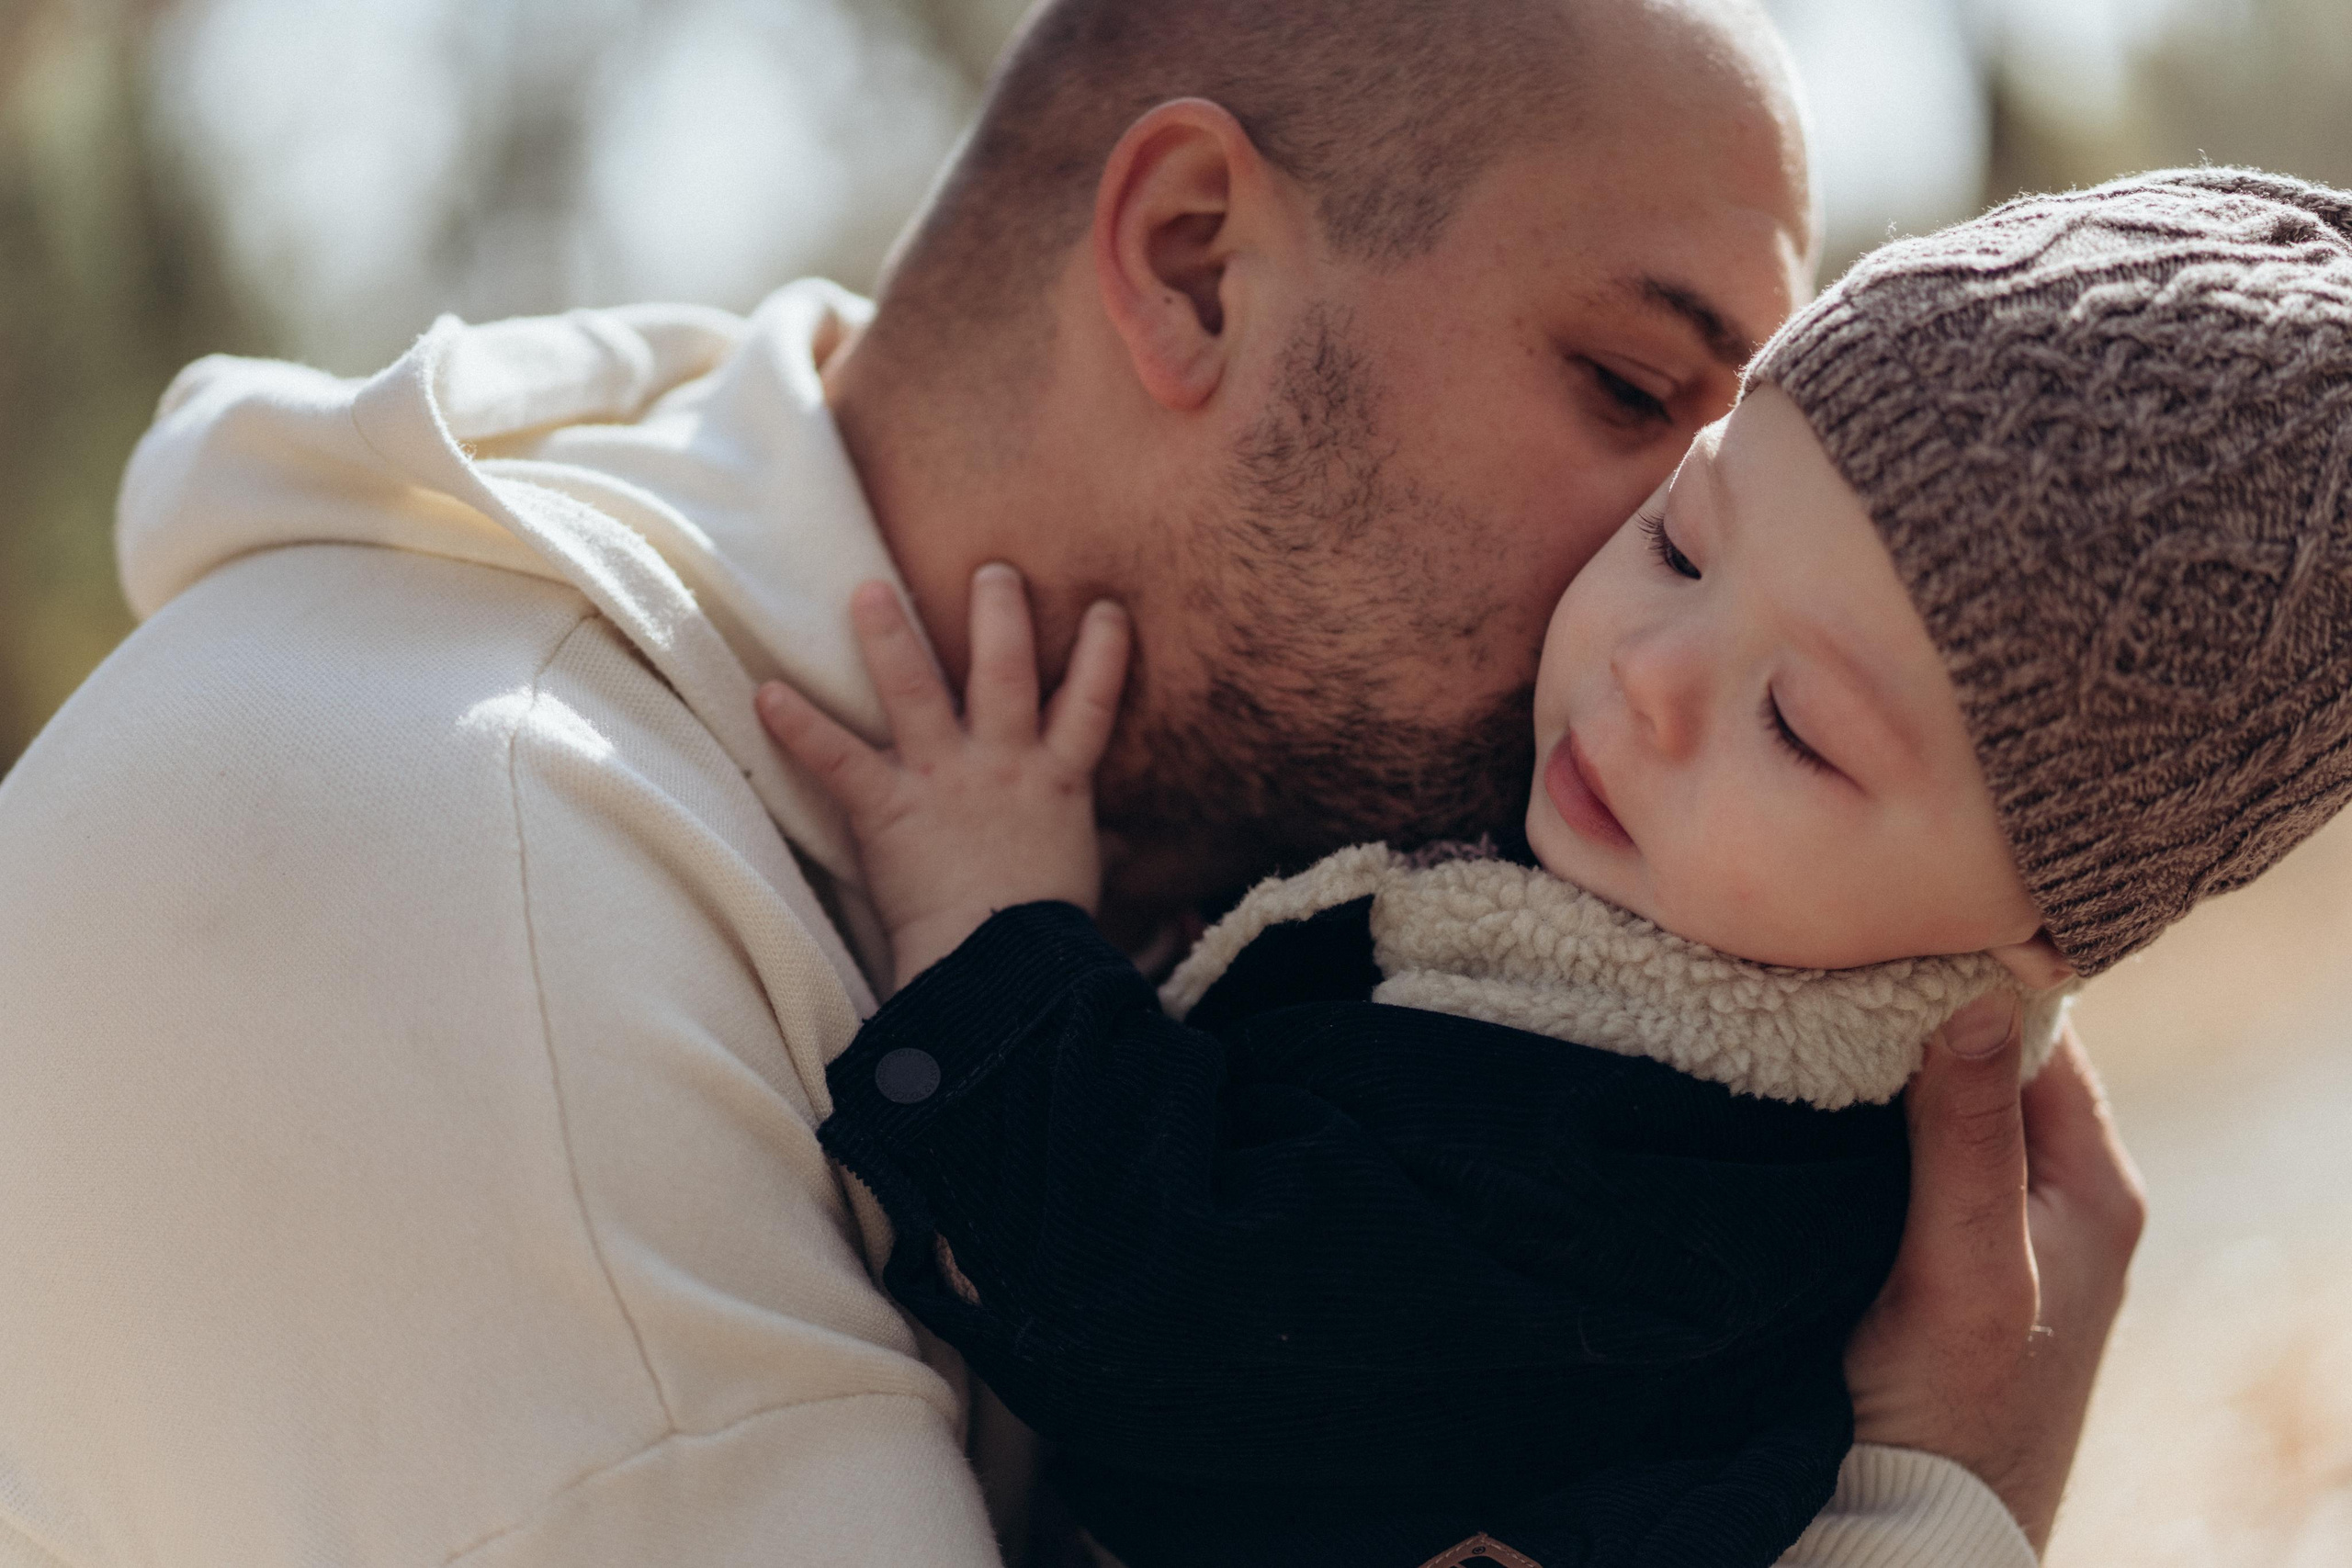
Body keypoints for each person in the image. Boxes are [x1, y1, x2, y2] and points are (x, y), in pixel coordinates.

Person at [0, 2, 2137, 1564]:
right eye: (1623, 391)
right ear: (1194, 258)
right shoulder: (442, 875)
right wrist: (1918, 1510)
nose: (1663, 582)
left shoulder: (1297, 925)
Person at [766, 168, 2341, 1568]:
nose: (1650, 671)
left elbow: (1173, 1310)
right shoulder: (1638, 945)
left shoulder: (1677, 1187)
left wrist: (999, 934)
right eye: (1680, 541)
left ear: (2040, 932)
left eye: (1800, 728)